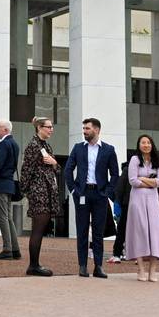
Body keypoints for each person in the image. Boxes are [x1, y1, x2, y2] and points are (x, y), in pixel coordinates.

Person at [65, 118, 118, 278]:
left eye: (87, 129)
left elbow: (115, 174)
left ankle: (98, 266)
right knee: (81, 230)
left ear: (97, 130)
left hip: (99, 194)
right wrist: (73, 190)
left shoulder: (108, 149)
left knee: (98, 231)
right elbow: (68, 169)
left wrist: (107, 191)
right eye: (84, 129)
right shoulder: (78, 148)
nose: (84, 131)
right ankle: (82, 266)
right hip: (82, 193)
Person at [18, 116, 62, 276]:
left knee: (41, 228)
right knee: (38, 228)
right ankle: (33, 265)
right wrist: (26, 191)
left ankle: (35, 264)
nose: (51, 129)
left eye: (51, 126)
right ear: (39, 128)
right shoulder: (33, 145)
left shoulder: (46, 145)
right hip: (39, 192)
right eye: (48, 127)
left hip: (47, 191)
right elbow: (26, 171)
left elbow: (57, 169)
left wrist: (54, 162)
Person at [122, 136, 159, 282]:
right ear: (139, 145)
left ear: (152, 145)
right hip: (137, 200)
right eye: (143, 142)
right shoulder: (135, 160)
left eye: (148, 142)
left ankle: (153, 270)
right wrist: (150, 181)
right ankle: (141, 268)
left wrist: (143, 179)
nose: (146, 145)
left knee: (154, 233)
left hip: (153, 202)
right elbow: (133, 181)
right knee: (139, 231)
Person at [0, 119, 21, 261]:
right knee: (8, 218)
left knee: (2, 217)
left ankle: (7, 249)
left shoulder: (4, 144)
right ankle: (15, 249)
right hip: (9, 184)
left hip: (1, 184)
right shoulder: (14, 144)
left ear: (5, 130)